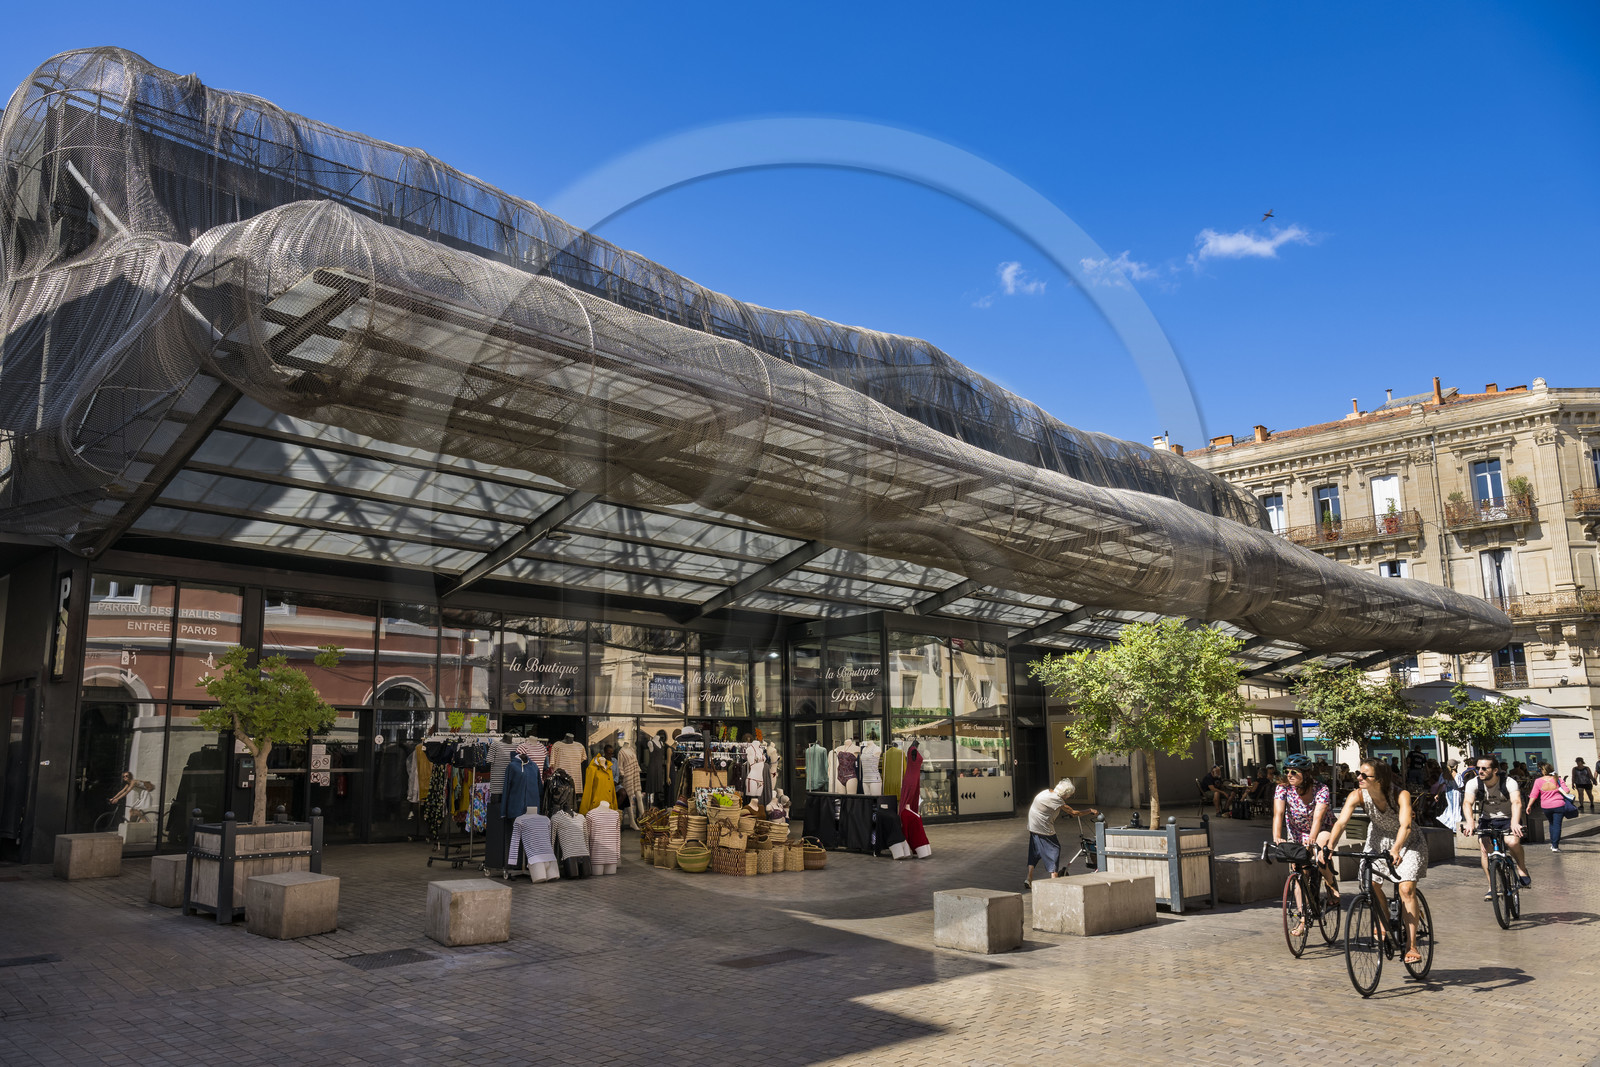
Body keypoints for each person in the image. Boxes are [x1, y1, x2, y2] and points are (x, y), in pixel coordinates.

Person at [1326, 760, 1428, 965]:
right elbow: (1341, 822)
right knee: (1370, 884)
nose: (1359, 778)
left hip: (1407, 841)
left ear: (1380, 779)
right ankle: (1383, 921)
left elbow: (1406, 825)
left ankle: (1411, 946)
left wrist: (1396, 849)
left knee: (1406, 889)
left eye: (1365, 775)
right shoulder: (1357, 795)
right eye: (1358, 773)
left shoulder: (1401, 795)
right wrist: (1329, 847)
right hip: (1377, 839)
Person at [1272, 754, 1338, 934]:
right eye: (1286, 771)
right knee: (1297, 873)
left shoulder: (1321, 788)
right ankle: (1302, 919)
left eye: (1294, 772)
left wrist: (1312, 838)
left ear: (1306, 774)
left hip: (1322, 828)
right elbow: (1278, 813)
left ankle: (1331, 883)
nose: (1289, 775)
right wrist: (1277, 837)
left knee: (1320, 856)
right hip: (1296, 832)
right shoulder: (1283, 789)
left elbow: (1318, 817)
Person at [1462, 757, 1529, 894]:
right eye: (1478, 768)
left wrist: (1515, 822)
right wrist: (1470, 822)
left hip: (1509, 818)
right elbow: (1467, 803)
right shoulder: (1473, 783)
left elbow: (1516, 802)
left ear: (1495, 770)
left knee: (1512, 842)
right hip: (1487, 820)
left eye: (1484, 769)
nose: (1480, 771)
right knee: (1485, 849)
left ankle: (1521, 868)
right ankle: (1493, 886)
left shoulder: (1509, 782)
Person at [1024, 779, 1098, 889]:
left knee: (1034, 851)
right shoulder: (1056, 799)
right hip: (1044, 829)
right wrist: (1090, 810)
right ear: (1065, 794)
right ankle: (1054, 879)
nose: (1068, 798)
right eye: (1069, 795)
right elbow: (1073, 813)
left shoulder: (1047, 792)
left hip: (1033, 827)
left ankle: (1029, 878)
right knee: (1054, 849)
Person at [1524, 763, 1571, 852]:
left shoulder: (1538, 781)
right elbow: (1567, 791)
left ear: (1543, 771)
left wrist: (1529, 805)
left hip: (1546, 806)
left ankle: (1553, 843)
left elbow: (1534, 795)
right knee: (1557, 825)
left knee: (1551, 823)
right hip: (1559, 805)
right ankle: (1555, 846)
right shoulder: (1558, 779)